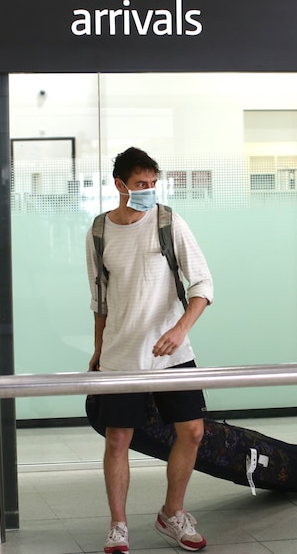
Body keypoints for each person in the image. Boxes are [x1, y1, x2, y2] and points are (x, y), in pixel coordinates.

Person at [86, 147, 213, 554]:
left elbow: (203, 286)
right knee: (118, 439)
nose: (149, 191)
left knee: (192, 431)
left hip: (171, 351)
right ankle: (118, 526)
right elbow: (100, 300)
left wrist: (180, 329)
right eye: (141, 185)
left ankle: (172, 513)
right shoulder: (100, 231)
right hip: (121, 354)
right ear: (120, 185)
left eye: (154, 183)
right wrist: (98, 349)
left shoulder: (167, 221)